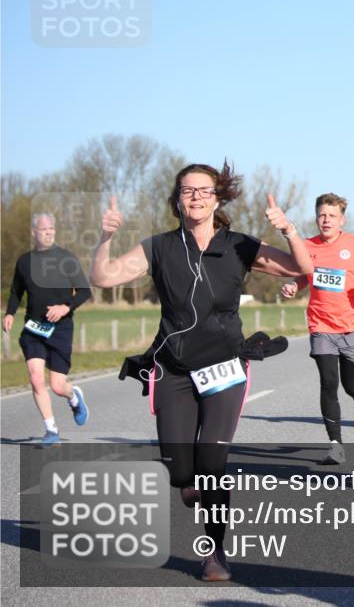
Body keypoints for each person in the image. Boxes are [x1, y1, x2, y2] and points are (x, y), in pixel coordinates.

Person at [90, 162, 313, 582]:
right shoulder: (159, 247)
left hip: (226, 368)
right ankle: (195, 483)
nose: (195, 196)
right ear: (177, 199)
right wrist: (105, 238)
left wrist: (289, 229)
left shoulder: (239, 246)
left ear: (217, 197)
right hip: (173, 368)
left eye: (204, 190)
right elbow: (102, 276)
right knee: (180, 473)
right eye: (187, 190)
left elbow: (302, 269)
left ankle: (215, 553)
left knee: (212, 463)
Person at [280, 193, 354, 465]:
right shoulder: (307, 245)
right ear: (316, 217)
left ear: (342, 219)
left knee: (351, 384)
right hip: (321, 323)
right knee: (328, 383)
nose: (326, 220)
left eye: (332, 216)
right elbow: (303, 274)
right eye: (322, 215)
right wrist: (294, 285)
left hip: (353, 324)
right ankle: (335, 444)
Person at [3, 212, 91, 445]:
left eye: (52, 228)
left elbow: (84, 291)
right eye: (44, 229)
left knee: (57, 385)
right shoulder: (24, 261)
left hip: (60, 329)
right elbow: (16, 291)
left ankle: (74, 397)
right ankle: (51, 430)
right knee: (35, 378)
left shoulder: (66, 259)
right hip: (34, 328)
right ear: (34, 232)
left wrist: (65, 307)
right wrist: (10, 313)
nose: (49, 232)